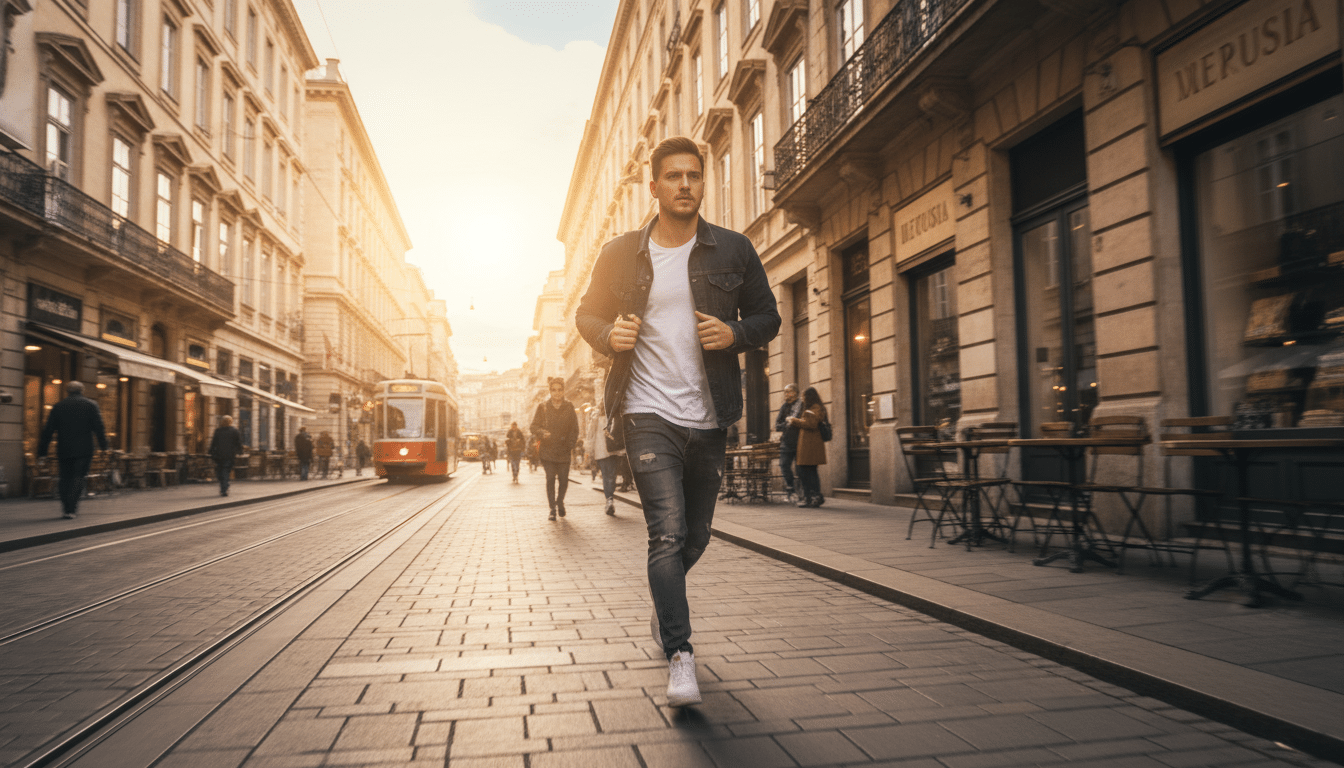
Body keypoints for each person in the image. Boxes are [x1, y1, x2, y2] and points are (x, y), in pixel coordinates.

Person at [576, 136, 780, 707]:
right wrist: (607, 334)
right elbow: (586, 314)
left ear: (703, 183)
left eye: (694, 175)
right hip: (646, 411)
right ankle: (680, 654)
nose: (685, 184)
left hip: (709, 415)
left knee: (695, 536)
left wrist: (735, 333)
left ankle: (664, 606)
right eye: (673, 176)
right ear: (654, 186)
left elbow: (768, 316)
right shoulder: (620, 253)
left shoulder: (734, 249)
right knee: (665, 532)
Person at [37, 380, 109, 519]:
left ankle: (66, 508)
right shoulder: (91, 405)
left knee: (64, 477)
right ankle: (72, 508)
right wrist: (104, 446)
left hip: (64, 448)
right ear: (82, 391)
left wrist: (42, 451)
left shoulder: (58, 406)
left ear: (67, 391)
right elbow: (99, 428)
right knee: (78, 477)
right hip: (84, 449)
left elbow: (48, 430)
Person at [530, 377, 578, 520]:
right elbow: (533, 426)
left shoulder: (569, 406)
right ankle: (552, 509)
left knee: (563, 480)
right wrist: (541, 432)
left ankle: (560, 501)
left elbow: (574, 429)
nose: (557, 393)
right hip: (548, 450)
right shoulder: (543, 407)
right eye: (554, 390)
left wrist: (570, 444)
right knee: (550, 479)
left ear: (563, 391)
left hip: (563, 450)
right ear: (550, 391)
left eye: (560, 390)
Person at [789, 386, 828, 508]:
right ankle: (813, 497)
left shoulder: (814, 409)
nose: (802, 399)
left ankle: (811, 497)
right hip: (810, 445)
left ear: (809, 397)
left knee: (805, 472)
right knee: (809, 472)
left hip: (810, 446)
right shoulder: (815, 408)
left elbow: (811, 424)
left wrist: (794, 420)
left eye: (804, 396)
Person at [587, 404, 619, 515]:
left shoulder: (614, 415)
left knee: (611, 476)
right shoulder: (596, 417)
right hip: (602, 451)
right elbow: (591, 434)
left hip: (614, 450)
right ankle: (609, 499)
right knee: (607, 475)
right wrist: (590, 450)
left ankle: (609, 499)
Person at [774, 384, 803, 501]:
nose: (785, 394)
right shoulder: (784, 406)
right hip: (786, 441)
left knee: (800, 467)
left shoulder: (801, 405)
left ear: (795, 393)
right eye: (785, 392)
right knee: (784, 464)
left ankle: (801, 492)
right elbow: (777, 425)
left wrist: (793, 422)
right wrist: (787, 423)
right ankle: (791, 488)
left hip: (800, 440)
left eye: (788, 391)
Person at [209, 415, 244, 497]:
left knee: (221, 471)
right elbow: (238, 443)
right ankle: (224, 487)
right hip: (229, 455)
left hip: (219, 455)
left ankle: (224, 487)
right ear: (231, 422)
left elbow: (214, 443)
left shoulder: (218, 431)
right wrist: (240, 451)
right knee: (226, 471)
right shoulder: (235, 431)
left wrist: (211, 451)